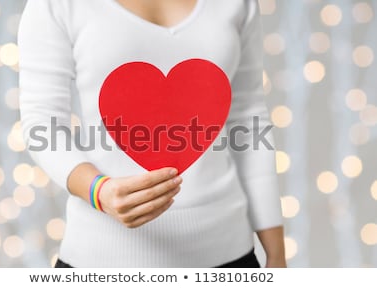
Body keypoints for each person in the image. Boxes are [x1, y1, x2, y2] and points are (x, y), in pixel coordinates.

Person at [18, 0, 287, 268]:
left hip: (230, 256)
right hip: (100, 262)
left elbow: (249, 119)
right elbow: (42, 122)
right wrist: (99, 191)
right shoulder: (57, 5)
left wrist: (276, 254)